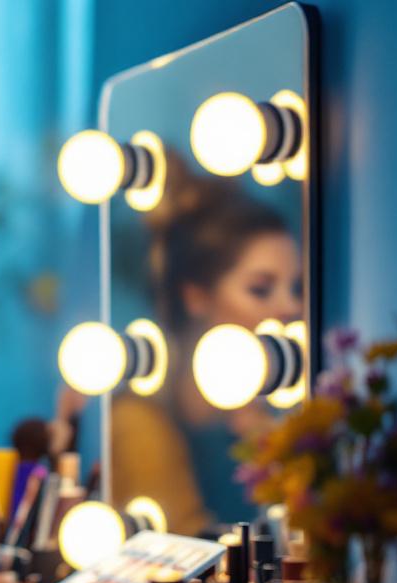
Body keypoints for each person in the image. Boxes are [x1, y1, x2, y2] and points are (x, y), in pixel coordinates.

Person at [111, 159, 303, 534]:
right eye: (261, 289)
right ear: (197, 296)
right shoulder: (140, 422)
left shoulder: (280, 424)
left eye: (297, 287)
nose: (291, 307)